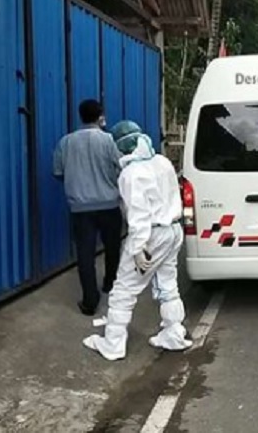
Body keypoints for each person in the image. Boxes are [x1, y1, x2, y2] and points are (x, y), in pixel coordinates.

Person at [83, 120, 192, 361]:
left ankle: (113, 343)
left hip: (151, 235)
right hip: (173, 230)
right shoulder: (162, 162)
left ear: (121, 146)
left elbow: (138, 214)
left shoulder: (131, 174)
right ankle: (174, 334)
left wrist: (138, 247)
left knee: (124, 288)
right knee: (167, 282)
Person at [53, 99, 123, 316]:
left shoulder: (66, 142)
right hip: (109, 204)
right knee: (112, 248)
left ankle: (90, 301)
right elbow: (121, 166)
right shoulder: (108, 140)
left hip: (81, 208)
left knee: (85, 254)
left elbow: (57, 172)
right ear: (100, 116)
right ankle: (110, 284)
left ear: (80, 116)